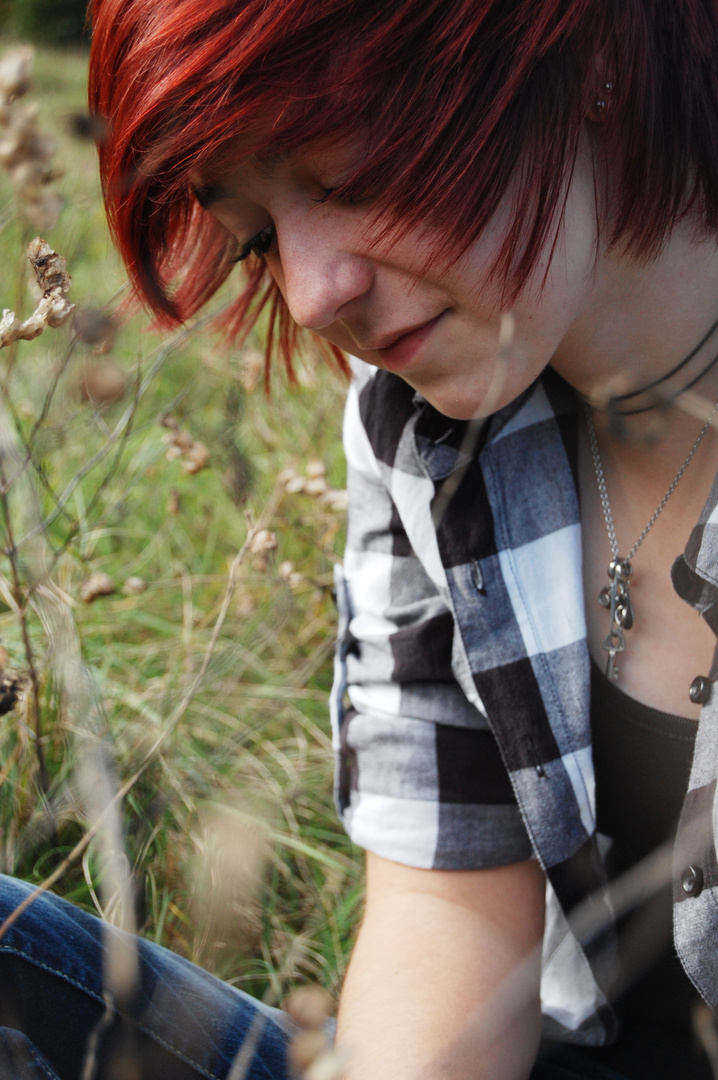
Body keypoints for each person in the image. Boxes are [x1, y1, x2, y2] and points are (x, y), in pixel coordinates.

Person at [3, 0, 718, 1077]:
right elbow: (450, 913)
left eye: (345, 177)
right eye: (257, 238)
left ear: (587, 57)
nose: (314, 289)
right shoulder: (417, 431)